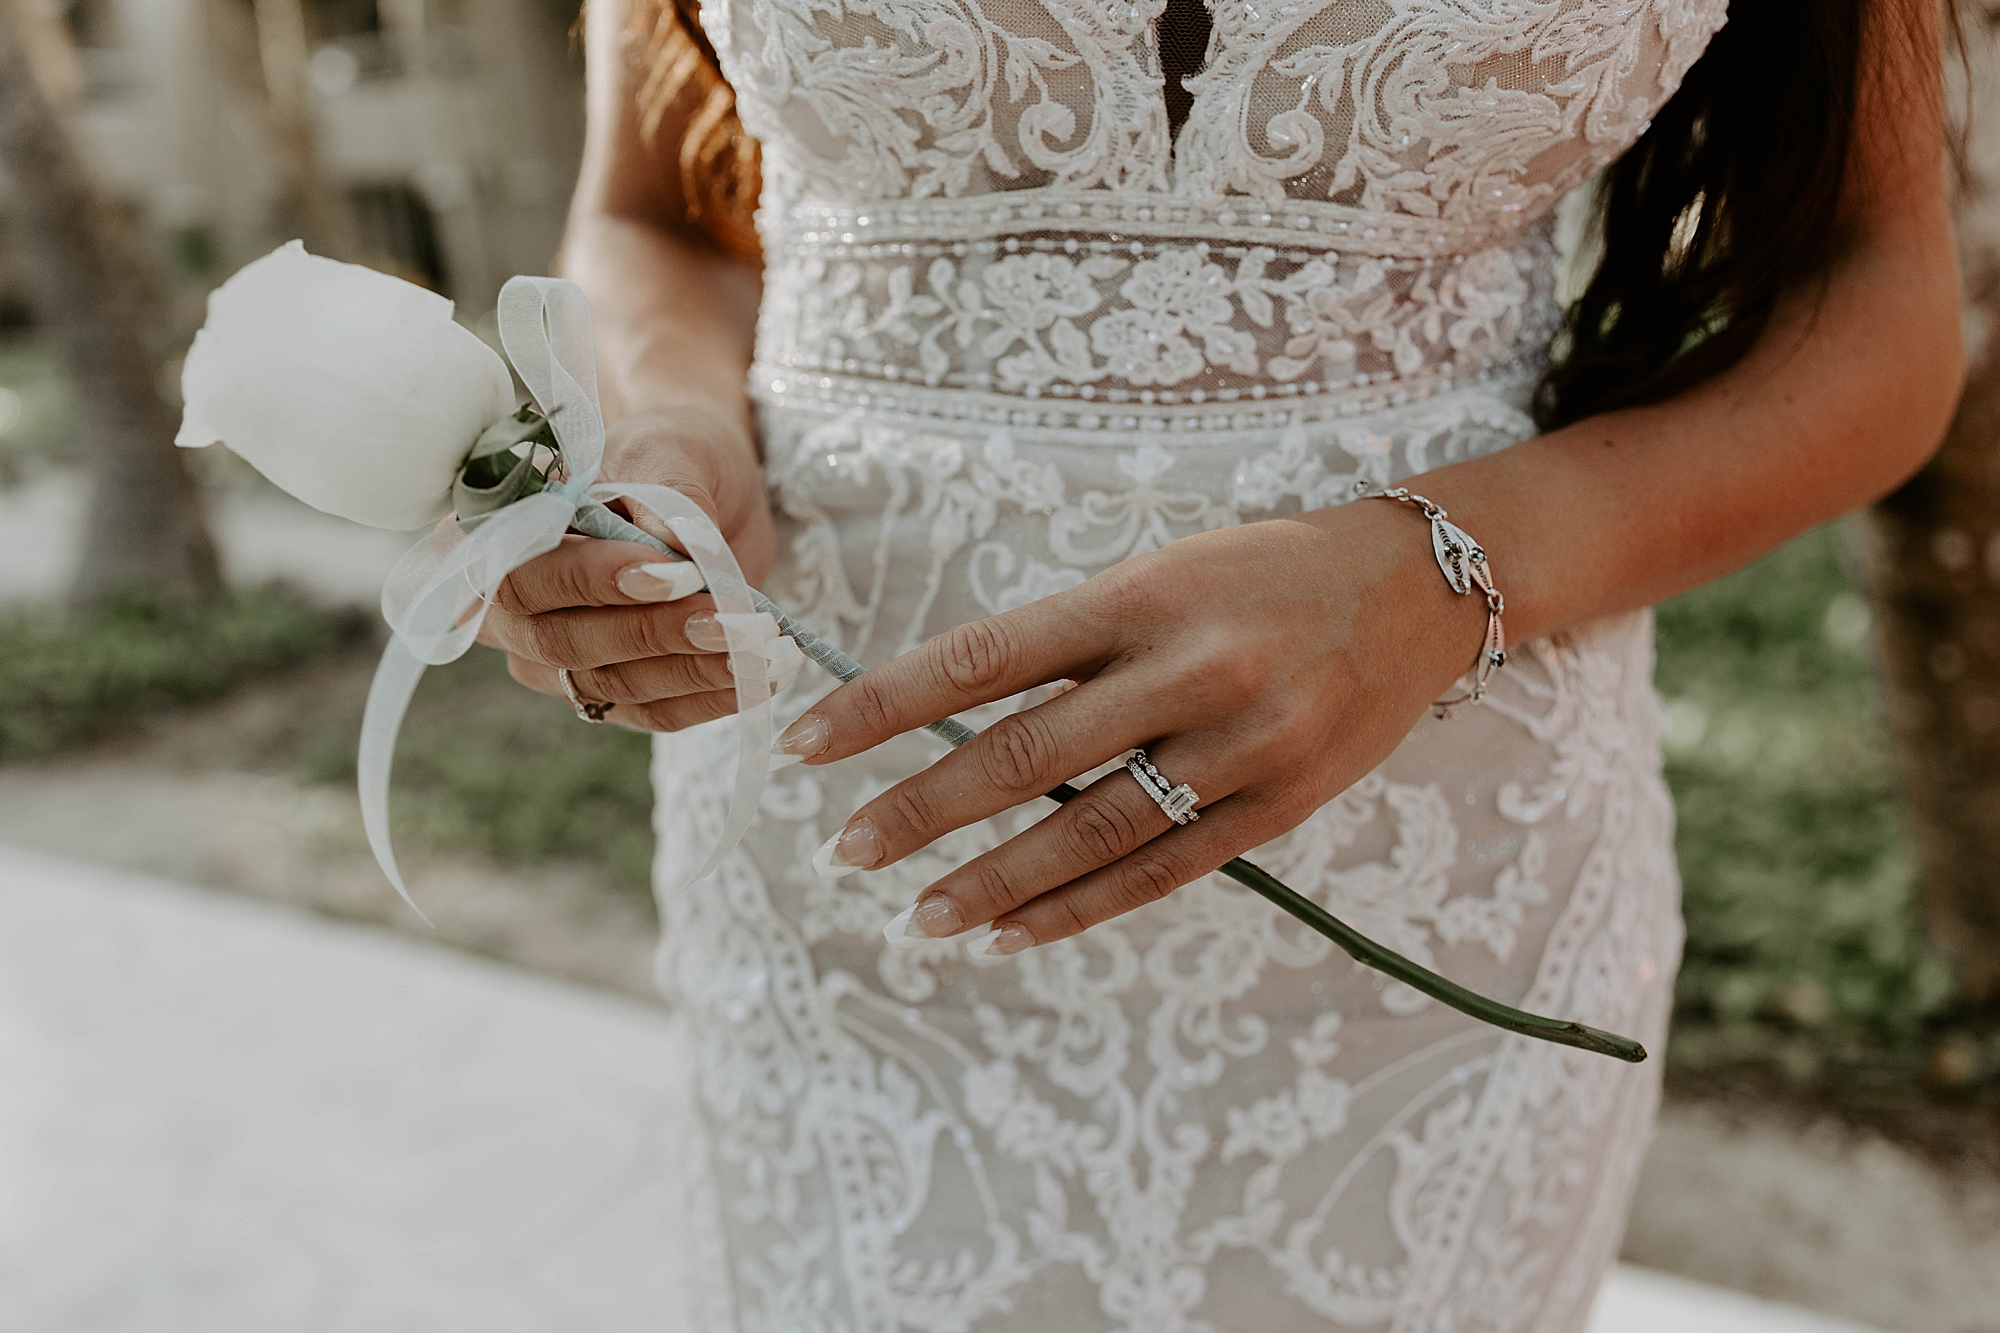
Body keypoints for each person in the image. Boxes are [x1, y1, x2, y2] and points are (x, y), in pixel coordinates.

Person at [479, 0, 1962, 1327]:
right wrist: (667, 427)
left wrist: (1430, 577)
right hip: (854, 896)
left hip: (1431, 910)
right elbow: (656, 214)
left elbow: (1879, 308)